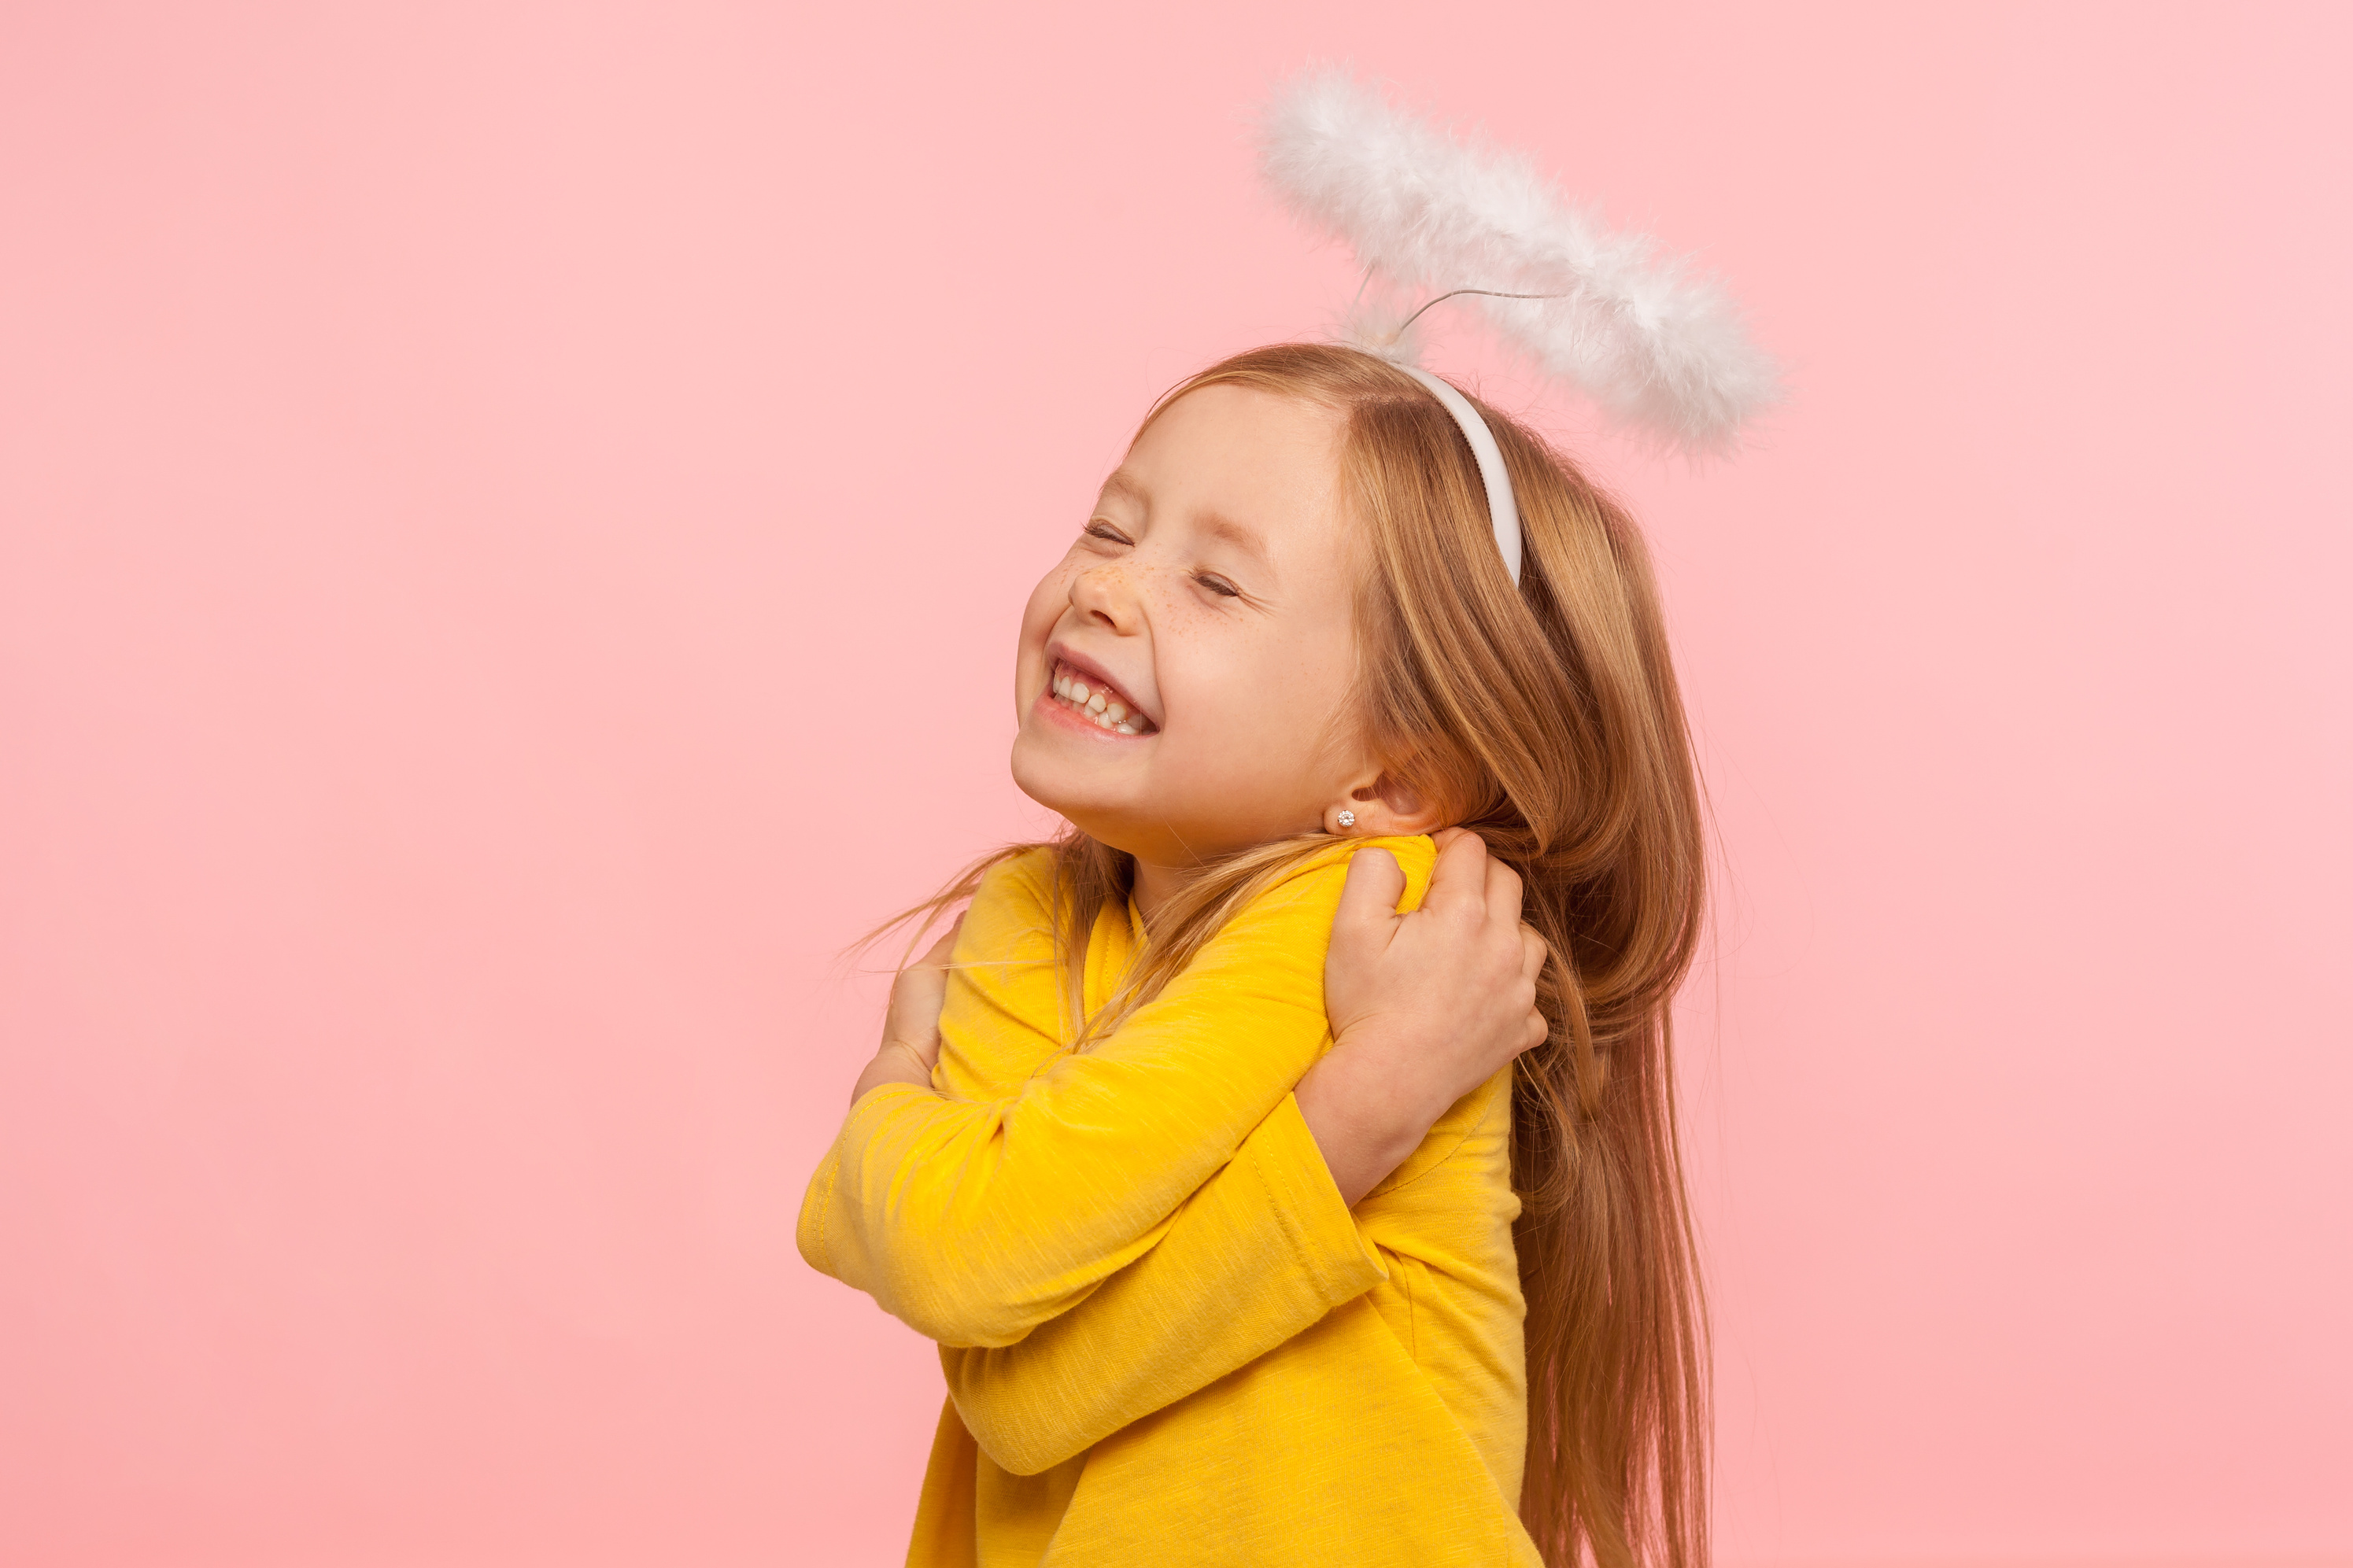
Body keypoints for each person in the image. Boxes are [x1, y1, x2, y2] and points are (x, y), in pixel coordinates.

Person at [799, 344, 1709, 1567]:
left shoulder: (1373, 918)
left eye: (1216, 583)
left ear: (1390, 775)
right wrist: (1355, 1113)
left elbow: (969, 1281)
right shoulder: (1031, 914)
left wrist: (884, 1110)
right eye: (1109, 529)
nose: (1103, 591)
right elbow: (1010, 1373)